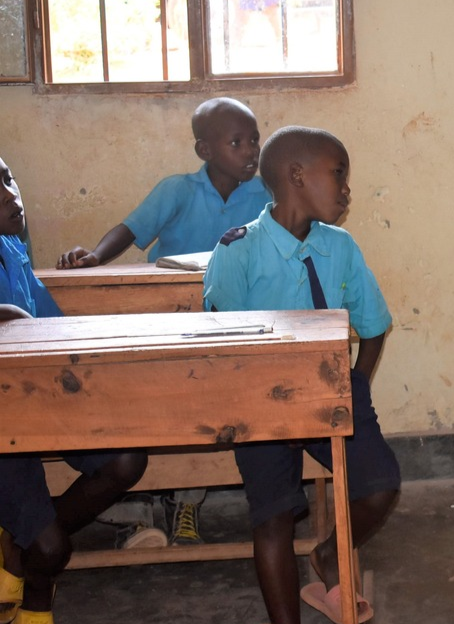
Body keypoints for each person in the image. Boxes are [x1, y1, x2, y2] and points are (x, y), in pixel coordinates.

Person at [55, 96, 272, 550]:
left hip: (229, 320)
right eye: (237, 142)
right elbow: (131, 230)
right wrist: (94, 257)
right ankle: (145, 503)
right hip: (169, 319)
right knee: (158, 405)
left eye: (254, 140)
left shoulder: (265, 194)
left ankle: (187, 500)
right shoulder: (178, 190)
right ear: (204, 150)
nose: (251, 151)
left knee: (209, 408)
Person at [203, 125, 400, 624]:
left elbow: (373, 326)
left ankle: (330, 556)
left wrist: (354, 386)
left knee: (380, 485)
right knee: (274, 518)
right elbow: (225, 347)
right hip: (258, 404)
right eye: (338, 175)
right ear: (297, 177)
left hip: (328, 393)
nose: (346, 188)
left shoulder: (341, 247)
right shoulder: (237, 250)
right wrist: (265, 413)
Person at [0, 155, 148, 624]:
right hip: (3, 428)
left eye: (7, 177)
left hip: (38, 402)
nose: (10, 195)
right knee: (52, 550)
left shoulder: (12, 247)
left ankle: (17, 550)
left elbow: (50, 325)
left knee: (126, 458)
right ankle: (35, 598)